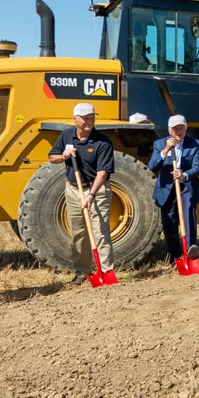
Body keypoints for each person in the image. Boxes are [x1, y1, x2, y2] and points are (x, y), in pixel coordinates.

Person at [48, 103, 116, 285]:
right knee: (78, 233)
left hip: (97, 188)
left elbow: (103, 173)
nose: (89, 121)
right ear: (75, 119)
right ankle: (82, 272)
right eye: (85, 118)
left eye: (92, 117)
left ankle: (106, 270)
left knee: (100, 231)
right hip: (73, 188)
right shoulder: (66, 135)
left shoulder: (102, 141)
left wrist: (91, 195)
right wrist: (65, 156)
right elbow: (52, 157)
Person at [149, 115, 199, 263]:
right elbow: (152, 166)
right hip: (167, 188)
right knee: (169, 222)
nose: (179, 131)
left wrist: (184, 174)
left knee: (188, 217)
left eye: (181, 128)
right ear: (169, 130)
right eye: (175, 129)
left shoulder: (194, 144)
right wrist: (166, 149)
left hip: (186, 187)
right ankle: (174, 257)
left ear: (186, 129)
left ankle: (190, 252)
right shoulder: (159, 144)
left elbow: (197, 168)